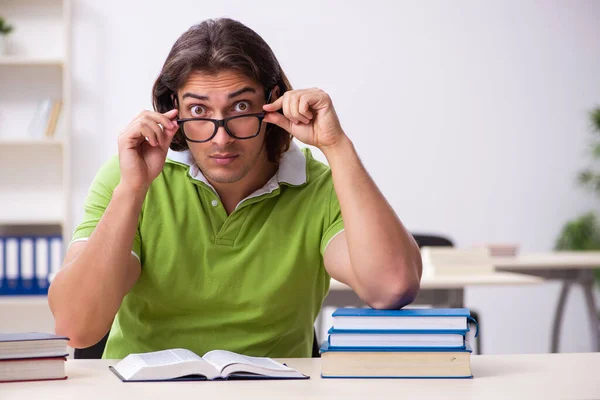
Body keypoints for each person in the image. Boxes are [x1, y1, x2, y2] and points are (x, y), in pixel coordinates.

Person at [48, 18, 422, 359]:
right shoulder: (128, 177)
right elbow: (76, 328)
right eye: (198, 112)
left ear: (271, 101)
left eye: (241, 107)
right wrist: (132, 190)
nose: (222, 138)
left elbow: (390, 287)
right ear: (171, 110)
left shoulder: (318, 186)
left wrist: (336, 146)